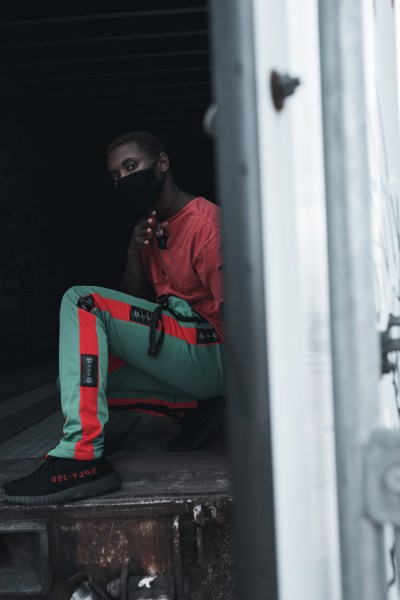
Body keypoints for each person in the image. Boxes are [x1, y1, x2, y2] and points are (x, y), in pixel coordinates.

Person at [1, 131, 225, 505]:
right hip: (188, 355)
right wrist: (134, 251)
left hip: (217, 352)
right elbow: (134, 306)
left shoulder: (207, 225)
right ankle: (196, 407)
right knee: (82, 380)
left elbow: (245, 322)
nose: (123, 179)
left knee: (82, 301)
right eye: (116, 175)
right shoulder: (152, 227)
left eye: (131, 166)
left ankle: (81, 456)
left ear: (162, 163)